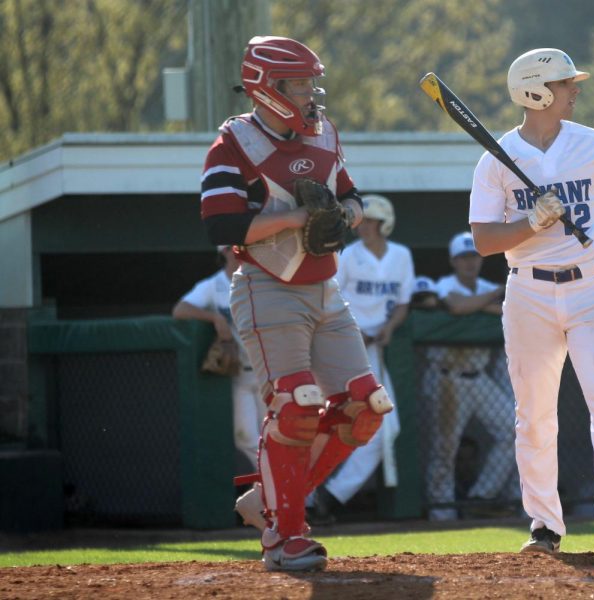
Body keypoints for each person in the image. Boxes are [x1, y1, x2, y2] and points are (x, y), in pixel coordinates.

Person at [200, 36, 392, 572]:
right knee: (297, 403)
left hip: (326, 290)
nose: (311, 94)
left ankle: (264, 503)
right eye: (301, 84)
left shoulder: (325, 136)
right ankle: (284, 536)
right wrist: (294, 219)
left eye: (312, 82)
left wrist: (345, 214)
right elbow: (220, 224)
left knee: (364, 409)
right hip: (268, 286)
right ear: (269, 88)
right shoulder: (234, 143)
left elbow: (351, 194)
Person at [469, 48, 594, 555]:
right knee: (534, 414)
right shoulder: (497, 158)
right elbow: (484, 240)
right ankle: (545, 526)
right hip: (528, 288)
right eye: (566, 83)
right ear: (536, 91)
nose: (575, 90)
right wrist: (530, 223)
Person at [309, 194, 414, 523]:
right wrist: (355, 332)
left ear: (385, 224)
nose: (364, 227)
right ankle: (306, 495)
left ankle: (329, 495)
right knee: (320, 420)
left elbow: (402, 303)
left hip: (375, 348)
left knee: (386, 428)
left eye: (371, 222)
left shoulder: (401, 255)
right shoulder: (348, 255)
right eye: (361, 222)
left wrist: (388, 328)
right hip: (341, 348)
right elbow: (329, 299)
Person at [425, 231, 517, 521]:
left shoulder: (485, 286)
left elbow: (507, 311)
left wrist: (483, 304)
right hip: (446, 378)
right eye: (464, 257)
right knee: (445, 448)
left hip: (479, 377)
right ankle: (441, 513)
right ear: (453, 261)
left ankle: (482, 496)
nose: (470, 263)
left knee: (512, 430)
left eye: (474, 256)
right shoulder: (444, 285)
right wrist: (491, 297)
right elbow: (457, 305)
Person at [172, 245, 265, 472]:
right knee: (245, 438)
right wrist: (213, 317)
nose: (239, 253)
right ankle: (273, 493)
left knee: (279, 436)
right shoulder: (214, 285)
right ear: (224, 252)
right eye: (234, 249)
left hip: (268, 373)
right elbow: (180, 310)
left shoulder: (262, 281)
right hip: (240, 374)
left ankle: (299, 497)